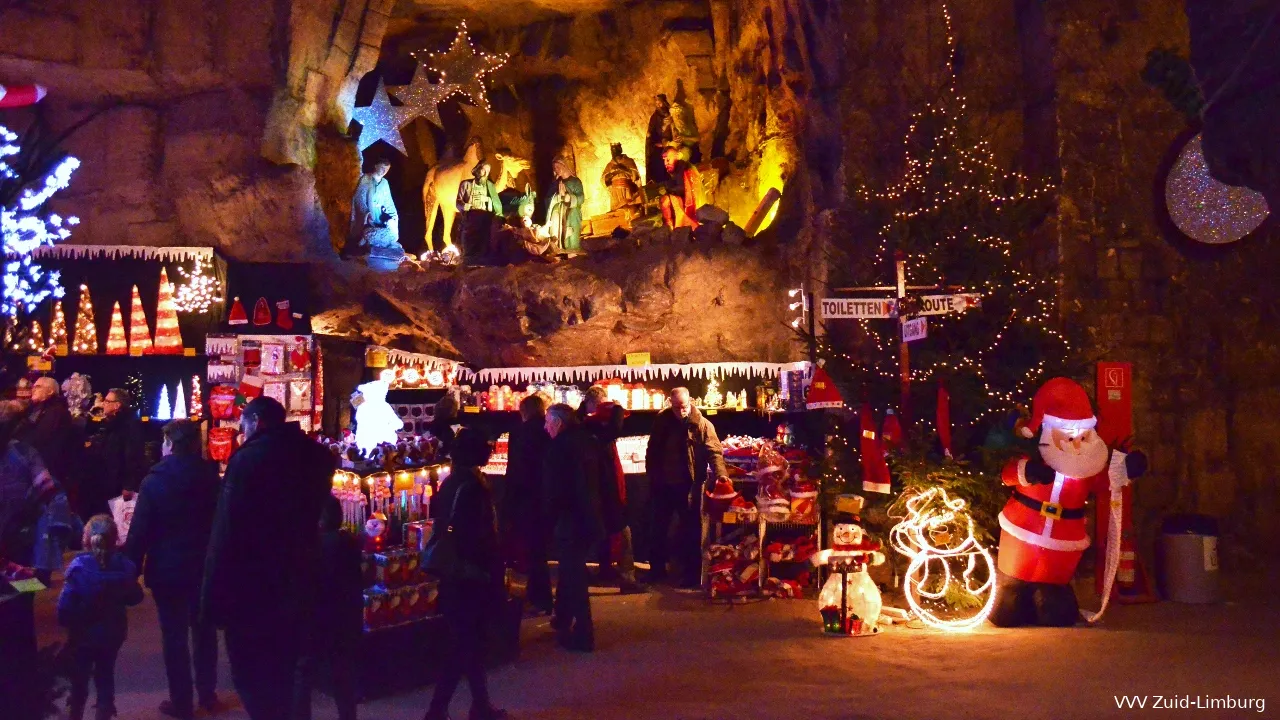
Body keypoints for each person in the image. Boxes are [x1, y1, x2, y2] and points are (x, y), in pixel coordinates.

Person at [202, 397, 335, 720]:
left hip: (254, 583)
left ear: (257, 422)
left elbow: (226, 531)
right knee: (289, 666)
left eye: (243, 427)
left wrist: (212, 598)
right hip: (300, 574)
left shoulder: (248, 460)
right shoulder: (316, 457)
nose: (241, 434)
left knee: (252, 671)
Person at [126, 420, 221, 718]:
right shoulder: (211, 478)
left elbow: (140, 530)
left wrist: (129, 570)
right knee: (204, 631)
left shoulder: (154, 481)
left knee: (174, 637)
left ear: (168, 444)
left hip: (167, 568)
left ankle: (182, 701)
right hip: (203, 565)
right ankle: (208, 693)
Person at [423, 427, 507, 720]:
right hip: (470, 573)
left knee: (467, 644)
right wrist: (492, 569)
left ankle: (478, 705)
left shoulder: (452, 482)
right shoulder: (472, 487)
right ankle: (438, 710)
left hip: (455, 572)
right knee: (464, 645)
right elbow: (477, 536)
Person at [0, 400, 58, 720]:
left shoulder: (24, 456)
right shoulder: (26, 456)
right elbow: (51, 504)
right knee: (20, 636)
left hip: (14, 563)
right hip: (18, 564)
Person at [58, 514, 144, 720]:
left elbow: (65, 607)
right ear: (115, 539)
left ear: (86, 539)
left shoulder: (79, 569)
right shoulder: (124, 567)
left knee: (80, 676)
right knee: (105, 673)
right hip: (113, 633)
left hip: (83, 635)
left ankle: (75, 712)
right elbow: (135, 596)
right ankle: (104, 710)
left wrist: (68, 621)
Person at [644, 387, 728, 588]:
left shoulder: (702, 425)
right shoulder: (662, 421)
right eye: (675, 407)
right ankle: (657, 570)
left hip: (687, 486)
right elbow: (652, 449)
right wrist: (652, 476)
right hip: (663, 484)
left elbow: (714, 452)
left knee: (690, 529)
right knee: (658, 528)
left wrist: (721, 475)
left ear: (689, 401)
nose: (680, 411)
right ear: (669, 404)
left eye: (683, 407)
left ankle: (691, 574)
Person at [543, 404, 604, 652]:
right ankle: (564, 618)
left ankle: (584, 632)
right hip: (589, 515)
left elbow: (555, 489)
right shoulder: (587, 442)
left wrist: (547, 518)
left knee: (573, 574)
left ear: (558, 423)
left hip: (571, 518)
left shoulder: (559, 448)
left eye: (548, 422)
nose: (545, 427)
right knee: (570, 571)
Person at [295, 496, 362, 720]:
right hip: (343, 620)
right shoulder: (350, 543)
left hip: (316, 618)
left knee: (304, 673)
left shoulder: (314, 546)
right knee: (343, 675)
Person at [579, 387, 641, 594]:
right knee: (622, 532)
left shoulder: (583, 426)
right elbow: (615, 429)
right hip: (606, 488)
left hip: (593, 488)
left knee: (600, 532)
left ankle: (603, 569)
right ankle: (627, 578)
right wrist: (617, 408)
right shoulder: (595, 428)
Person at [503, 393, 553, 614]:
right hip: (548, 497)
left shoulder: (520, 433)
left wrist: (509, 501)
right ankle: (539, 596)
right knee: (539, 550)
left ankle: (540, 599)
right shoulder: (550, 431)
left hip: (527, 498)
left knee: (533, 551)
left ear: (523, 412)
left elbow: (516, 470)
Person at [15, 376, 81, 516]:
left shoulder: (56, 412)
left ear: (50, 391)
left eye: (38, 387)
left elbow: (40, 439)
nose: (33, 389)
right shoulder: (36, 409)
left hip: (49, 471)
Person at [83, 388, 146, 519]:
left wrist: (129, 485)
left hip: (116, 483)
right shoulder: (109, 424)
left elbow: (133, 456)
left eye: (107, 401)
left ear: (117, 405)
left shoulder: (128, 426)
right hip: (105, 481)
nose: (103, 404)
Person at [348, 158, 402, 260]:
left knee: (392, 231)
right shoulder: (366, 179)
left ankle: (380, 244)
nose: (383, 171)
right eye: (381, 168)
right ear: (376, 166)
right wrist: (367, 214)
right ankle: (364, 242)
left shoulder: (384, 183)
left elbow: (389, 203)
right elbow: (359, 199)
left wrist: (393, 218)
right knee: (368, 233)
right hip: (368, 220)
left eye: (386, 169)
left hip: (380, 219)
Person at [456, 161, 504, 262]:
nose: (486, 174)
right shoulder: (466, 184)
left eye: (488, 171)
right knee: (468, 236)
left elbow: (495, 202)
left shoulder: (489, 186)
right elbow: (458, 201)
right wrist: (465, 206)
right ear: (477, 170)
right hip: (471, 216)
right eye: (483, 170)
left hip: (485, 216)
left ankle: (482, 257)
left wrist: (490, 202)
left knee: (484, 237)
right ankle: (468, 257)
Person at [544, 157, 585, 253]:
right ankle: (557, 246)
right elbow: (547, 199)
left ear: (564, 166)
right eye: (554, 168)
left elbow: (581, 197)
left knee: (572, 222)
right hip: (557, 210)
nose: (556, 170)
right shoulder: (555, 184)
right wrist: (558, 197)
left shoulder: (575, 182)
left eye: (558, 166)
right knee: (555, 222)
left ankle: (572, 248)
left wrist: (569, 198)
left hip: (571, 210)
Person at [657, 145, 701, 230]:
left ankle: (670, 229)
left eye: (668, 159)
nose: (666, 163)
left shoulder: (684, 168)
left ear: (676, 156)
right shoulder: (677, 169)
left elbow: (684, 189)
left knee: (665, 200)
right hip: (683, 199)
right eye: (664, 160)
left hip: (691, 204)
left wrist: (668, 190)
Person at [601, 143, 642, 217]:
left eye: (615, 149)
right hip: (615, 192)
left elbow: (636, 177)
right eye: (612, 150)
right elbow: (604, 181)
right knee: (617, 214)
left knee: (629, 211)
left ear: (620, 149)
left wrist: (623, 169)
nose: (614, 152)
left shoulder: (629, 161)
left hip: (627, 191)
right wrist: (613, 173)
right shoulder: (610, 165)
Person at [645, 94, 674, 185]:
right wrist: (654, 141)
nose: (658, 105)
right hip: (658, 149)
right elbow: (650, 133)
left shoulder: (670, 114)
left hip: (670, 147)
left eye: (660, 103)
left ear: (664, 103)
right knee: (659, 170)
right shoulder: (655, 117)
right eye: (656, 103)